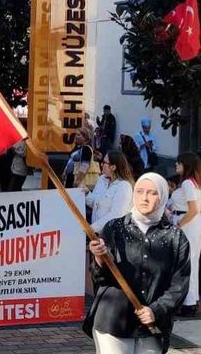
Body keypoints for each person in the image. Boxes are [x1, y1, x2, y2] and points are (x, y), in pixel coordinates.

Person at [86, 173, 190, 353]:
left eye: (152, 193)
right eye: (140, 191)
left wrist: (155, 310)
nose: (144, 197)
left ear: (163, 196)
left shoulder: (176, 237)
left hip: (151, 325)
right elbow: (99, 277)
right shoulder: (114, 228)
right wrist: (99, 258)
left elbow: (179, 286)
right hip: (113, 320)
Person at [172, 153, 201, 316]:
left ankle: (188, 302)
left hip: (188, 224)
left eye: (179, 163)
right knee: (192, 262)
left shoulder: (188, 184)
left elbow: (194, 209)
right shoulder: (195, 184)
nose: (176, 165)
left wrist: (179, 224)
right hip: (193, 224)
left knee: (187, 263)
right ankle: (190, 300)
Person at [86, 151, 134, 233]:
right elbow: (95, 203)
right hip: (96, 233)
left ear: (113, 167)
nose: (101, 164)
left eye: (104, 162)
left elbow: (116, 215)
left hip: (111, 237)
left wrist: (92, 228)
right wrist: (86, 194)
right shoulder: (102, 179)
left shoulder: (124, 186)